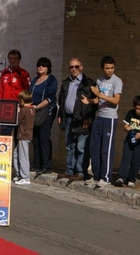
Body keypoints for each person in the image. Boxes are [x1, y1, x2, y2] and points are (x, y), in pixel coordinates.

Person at [82, 56, 123, 187]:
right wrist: (89, 101)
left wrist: (99, 94)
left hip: (110, 118)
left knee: (107, 148)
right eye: (107, 68)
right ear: (102, 68)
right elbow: (98, 101)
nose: (110, 71)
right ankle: (96, 175)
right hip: (99, 116)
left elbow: (116, 100)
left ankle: (105, 177)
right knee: (95, 147)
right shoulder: (99, 81)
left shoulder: (117, 81)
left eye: (112, 68)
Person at [57, 58, 97, 182]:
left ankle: (81, 172)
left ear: (81, 67)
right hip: (68, 118)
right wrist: (60, 115)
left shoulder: (89, 83)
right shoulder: (66, 83)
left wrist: (88, 118)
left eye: (76, 66)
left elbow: (93, 104)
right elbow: (61, 101)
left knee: (81, 146)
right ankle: (69, 171)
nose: (73, 69)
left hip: (82, 119)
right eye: (71, 67)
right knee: (70, 146)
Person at [29, 57, 58, 175]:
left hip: (46, 110)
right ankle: (37, 163)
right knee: (35, 139)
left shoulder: (51, 80)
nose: (41, 67)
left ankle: (46, 165)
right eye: (39, 65)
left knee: (43, 137)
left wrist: (38, 107)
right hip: (34, 111)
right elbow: (29, 94)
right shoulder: (35, 80)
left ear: (48, 68)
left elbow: (51, 97)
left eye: (44, 66)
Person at [0, 49, 30, 136]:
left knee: (18, 136)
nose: (12, 60)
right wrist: (0, 105)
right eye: (11, 58)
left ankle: (16, 150)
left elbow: (27, 91)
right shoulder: (4, 73)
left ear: (19, 60)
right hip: (6, 109)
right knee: (4, 136)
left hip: (19, 108)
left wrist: (23, 106)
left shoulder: (23, 73)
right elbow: (1, 90)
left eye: (15, 58)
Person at [115, 95, 140, 188]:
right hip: (129, 141)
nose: (139, 111)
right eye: (137, 108)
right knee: (126, 158)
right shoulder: (130, 113)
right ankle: (121, 177)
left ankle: (131, 178)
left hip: (139, 144)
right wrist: (128, 128)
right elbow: (125, 125)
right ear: (134, 107)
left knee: (136, 162)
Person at [13, 90, 36, 185]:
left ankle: (25, 177)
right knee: (16, 154)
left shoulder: (24, 110)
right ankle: (19, 174)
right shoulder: (32, 109)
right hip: (27, 135)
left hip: (22, 135)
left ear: (22, 101)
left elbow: (17, 121)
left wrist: (18, 112)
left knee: (23, 157)